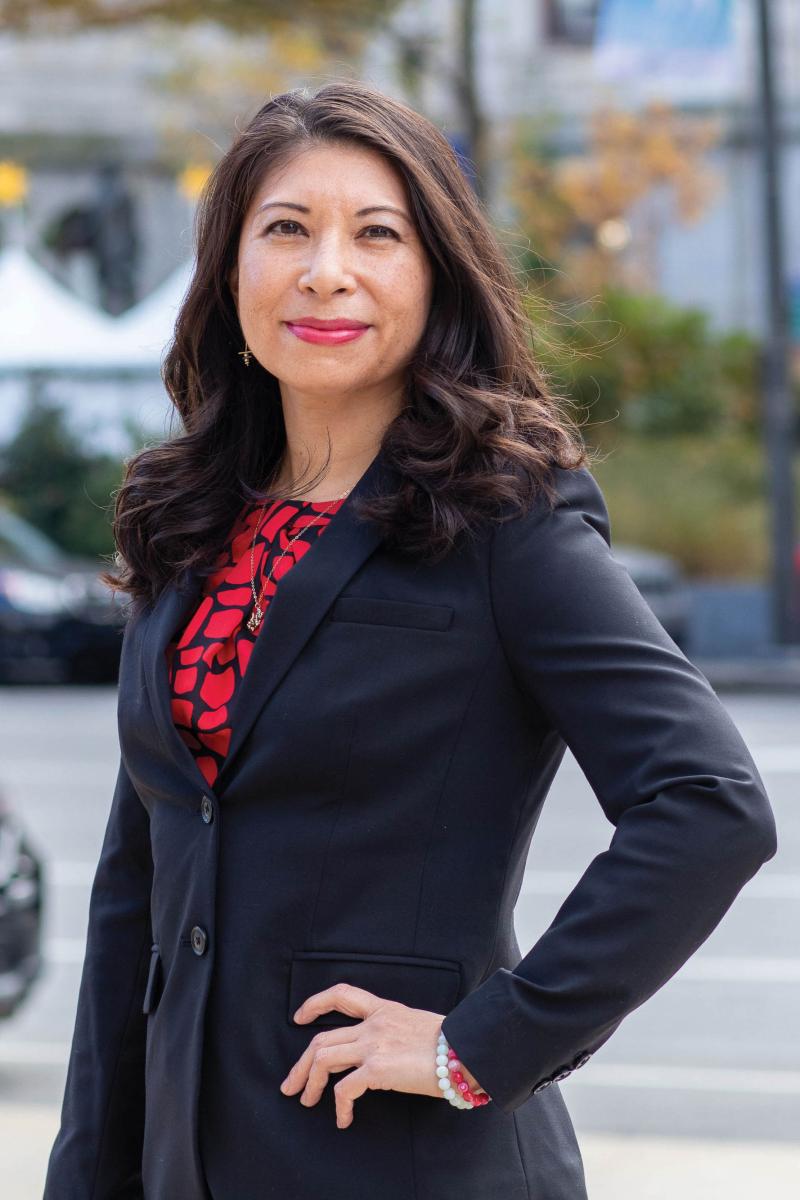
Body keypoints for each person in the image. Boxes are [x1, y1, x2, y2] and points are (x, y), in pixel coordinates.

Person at [43, 78, 778, 1200]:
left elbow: (707, 804)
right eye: (284, 229)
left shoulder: (504, 520)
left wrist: (482, 1044)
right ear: (230, 270)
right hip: (188, 1161)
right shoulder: (187, 520)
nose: (324, 269)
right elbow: (133, 892)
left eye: (374, 234)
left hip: (407, 1161)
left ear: (431, 274)